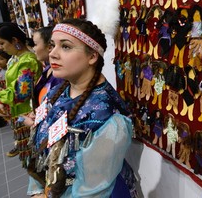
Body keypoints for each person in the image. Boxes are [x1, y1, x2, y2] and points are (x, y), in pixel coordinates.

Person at [27, 19, 135, 198]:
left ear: (92, 56)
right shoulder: (56, 92)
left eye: (66, 47)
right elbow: (42, 149)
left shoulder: (108, 119)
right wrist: (37, 189)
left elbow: (92, 191)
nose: (52, 54)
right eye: (52, 45)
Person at [0, 22, 42, 157]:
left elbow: (22, 93)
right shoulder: (14, 58)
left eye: (2, 43)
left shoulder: (28, 61)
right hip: (19, 113)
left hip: (28, 114)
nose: (1, 47)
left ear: (14, 40)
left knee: (33, 156)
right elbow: (11, 85)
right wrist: (1, 102)